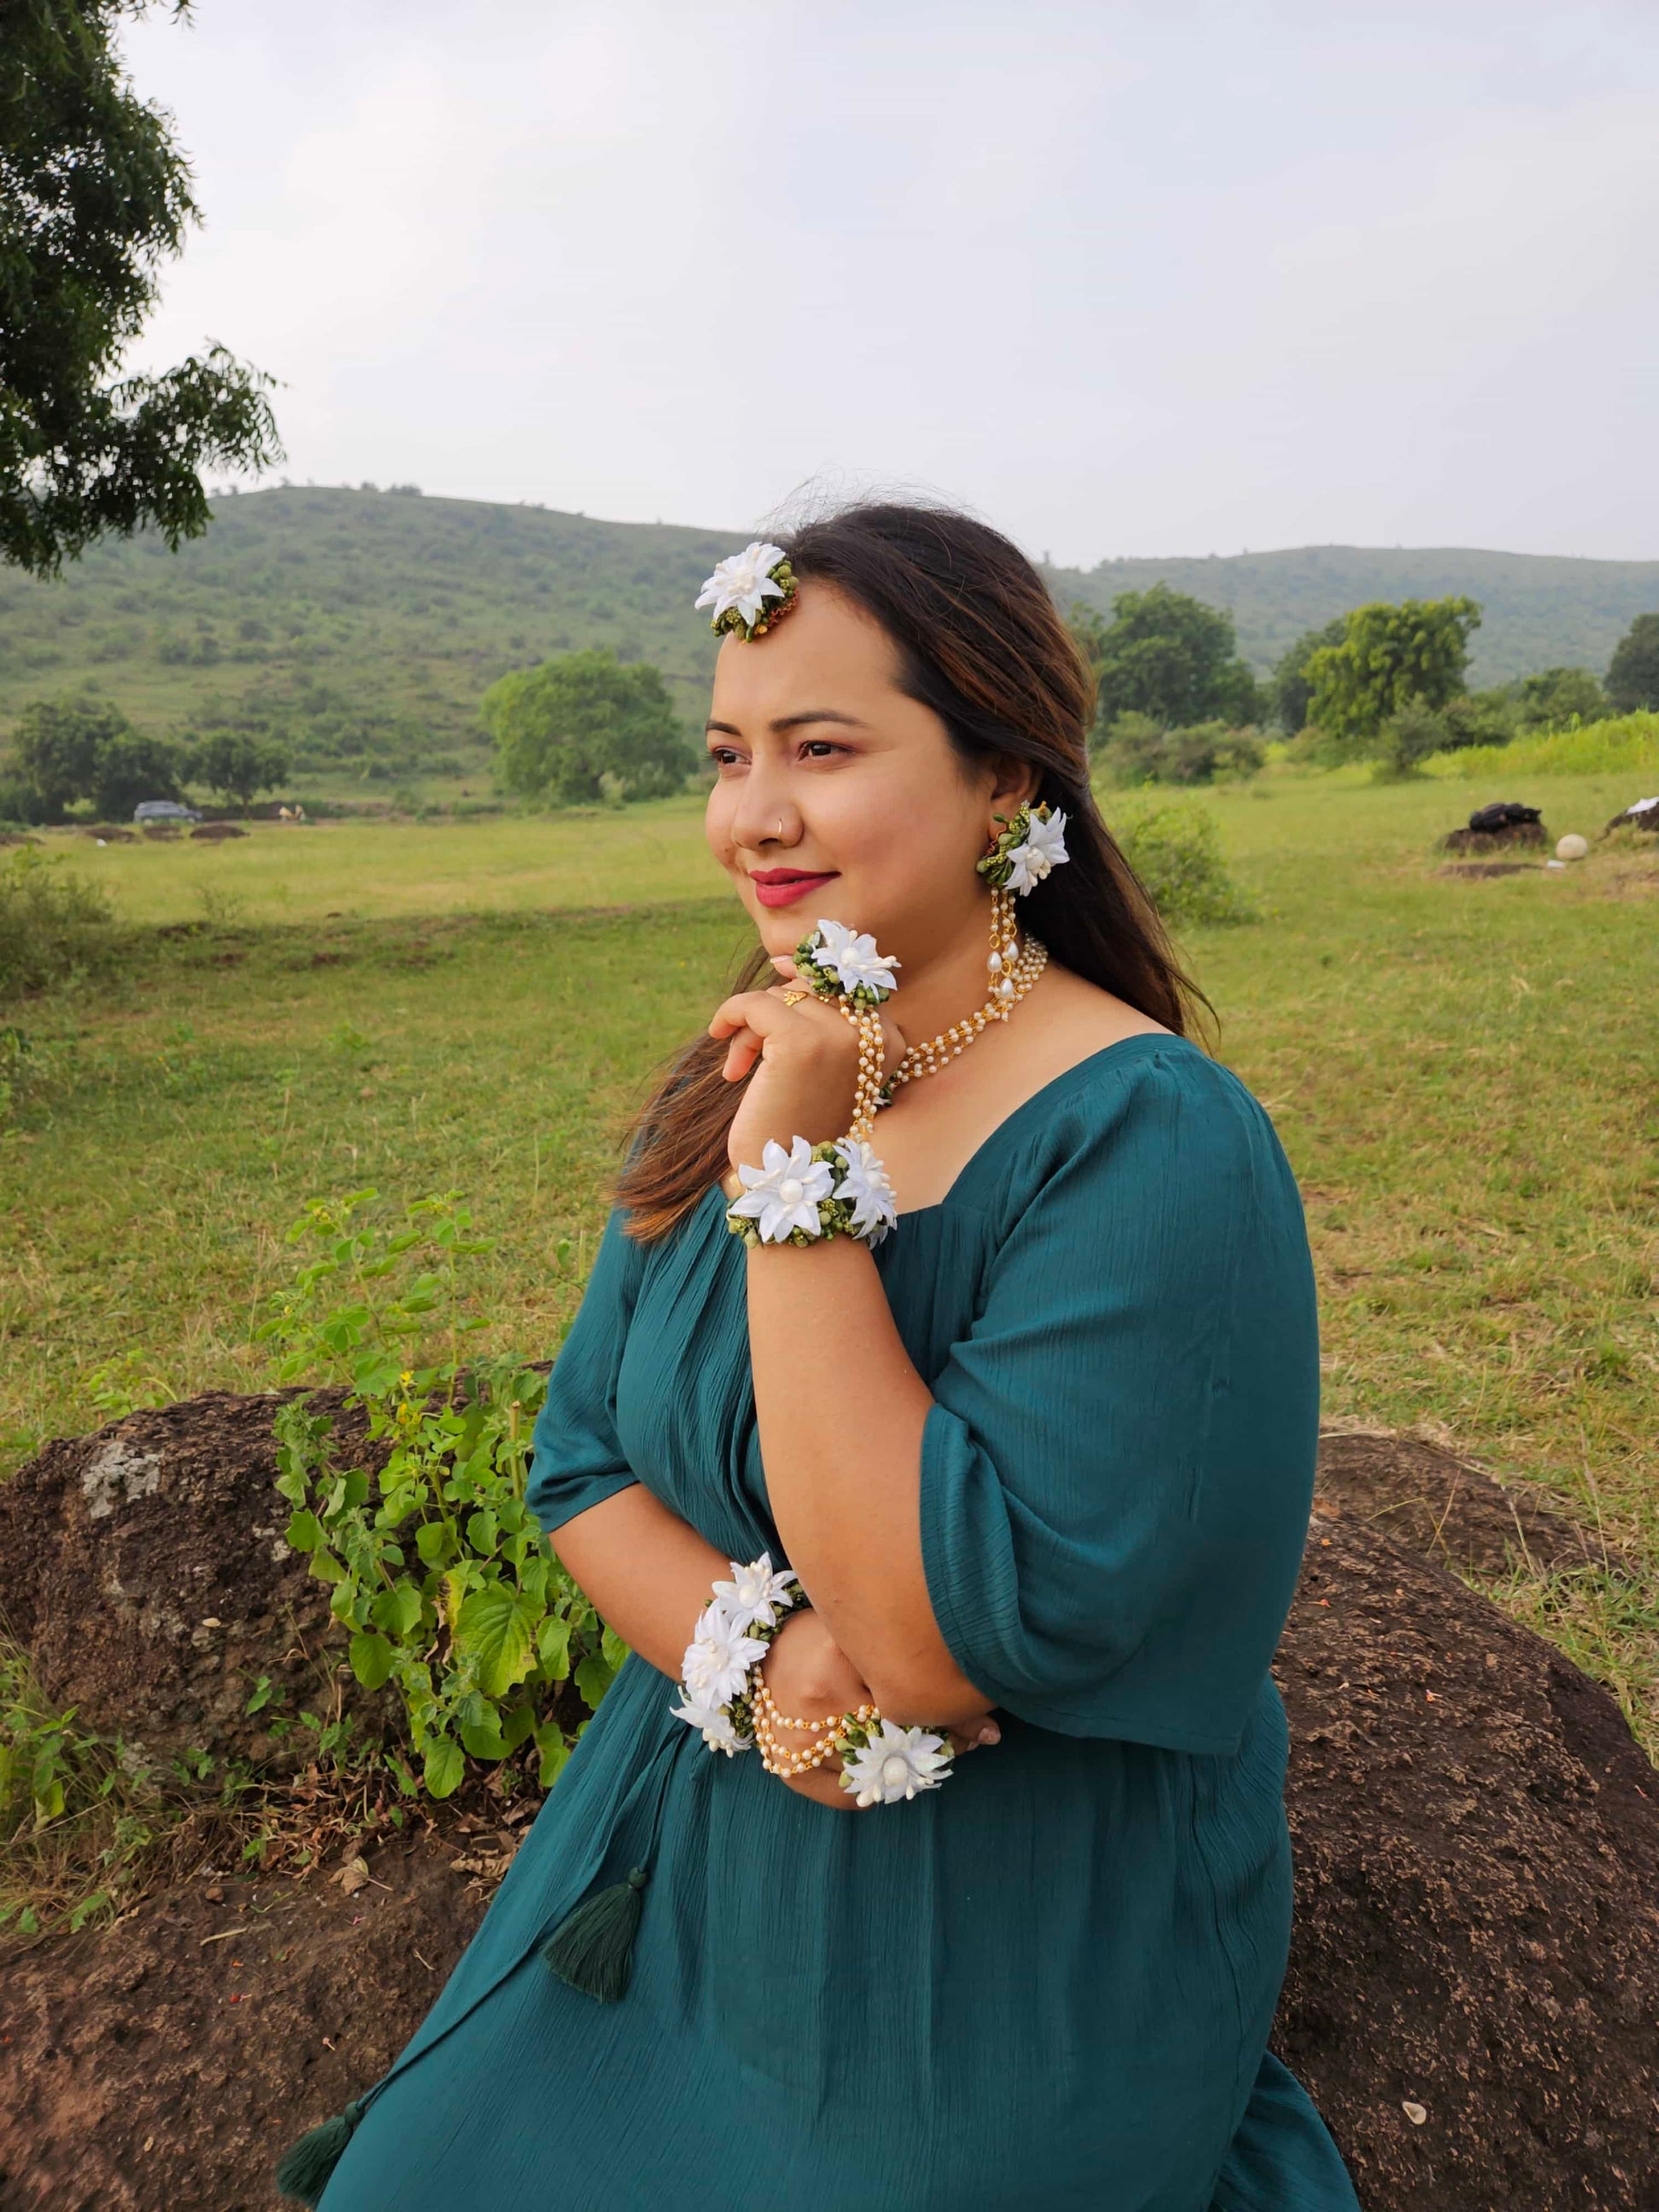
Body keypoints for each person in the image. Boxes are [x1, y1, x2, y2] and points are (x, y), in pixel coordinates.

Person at [291, 503, 1360, 2210]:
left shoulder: (1152, 1142)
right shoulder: (732, 1074)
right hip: (688, 1845)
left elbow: (929, 1646)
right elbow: (579, 1461)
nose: (751, 815)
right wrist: (760, 1663)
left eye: (820, 746)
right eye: (726, 753)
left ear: (1007, 778)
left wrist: (795, 1195)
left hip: (1003, 1941)